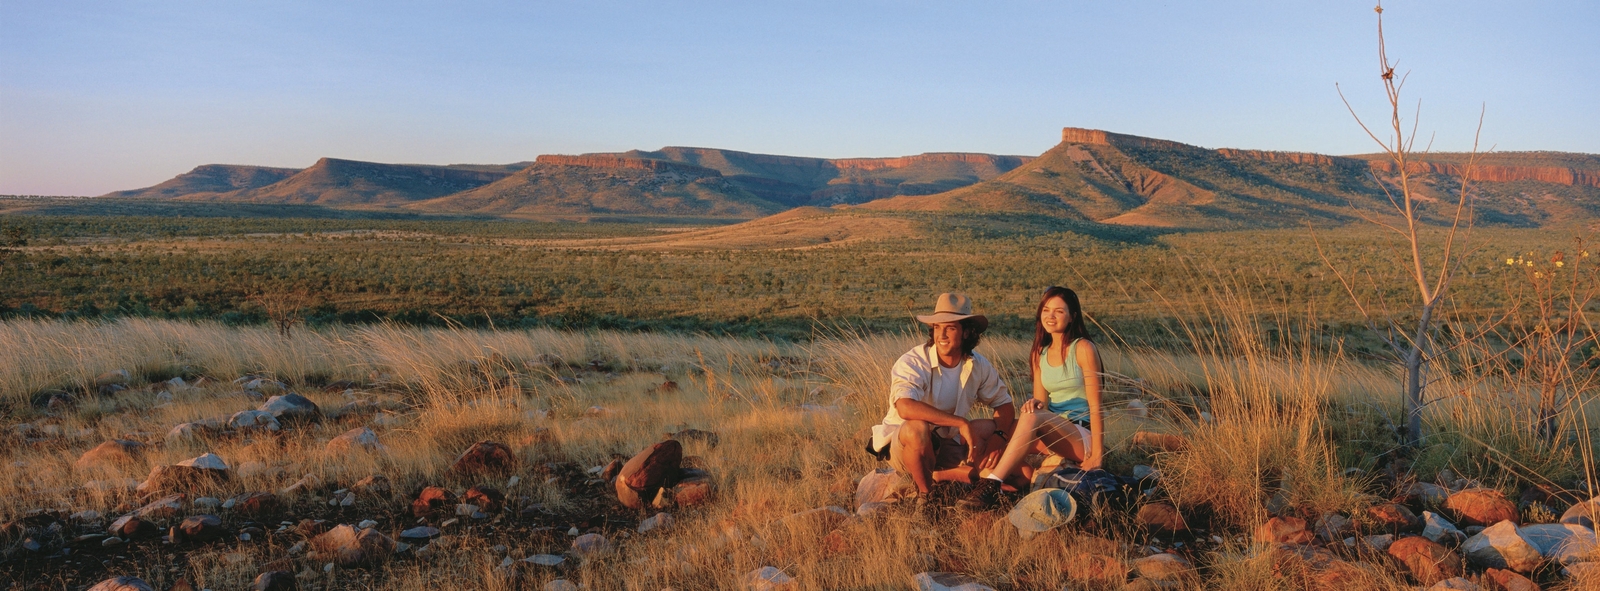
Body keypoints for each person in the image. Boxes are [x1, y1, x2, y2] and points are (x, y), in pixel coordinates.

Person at [959, 286, 1104, 511]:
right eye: (1046, 310)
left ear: (1072, 316)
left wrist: (1097, 456)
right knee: (977, 428)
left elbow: (1096, 406)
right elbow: (1041, 403)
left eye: (1059, 311)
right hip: (1051, 435)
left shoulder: (1083, 348)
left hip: (1080, 436)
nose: (1051, 316)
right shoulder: (1040, 353)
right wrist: (1033, 405)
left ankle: (991, 485)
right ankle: (1003, 476)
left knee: (1033, 416)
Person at [869, 292, 1016, 500]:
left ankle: (952, 475)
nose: (942, 335)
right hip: (907, 445)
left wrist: (997, 439)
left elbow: (1005, 405)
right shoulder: (914, 361)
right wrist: (960, 422)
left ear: (966, 332)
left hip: (948, 443)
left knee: (1015, 431)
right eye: (937, 327)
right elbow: (905, 407)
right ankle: (926, 496)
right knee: (917, 428)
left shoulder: (978, 365)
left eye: (950, 328)